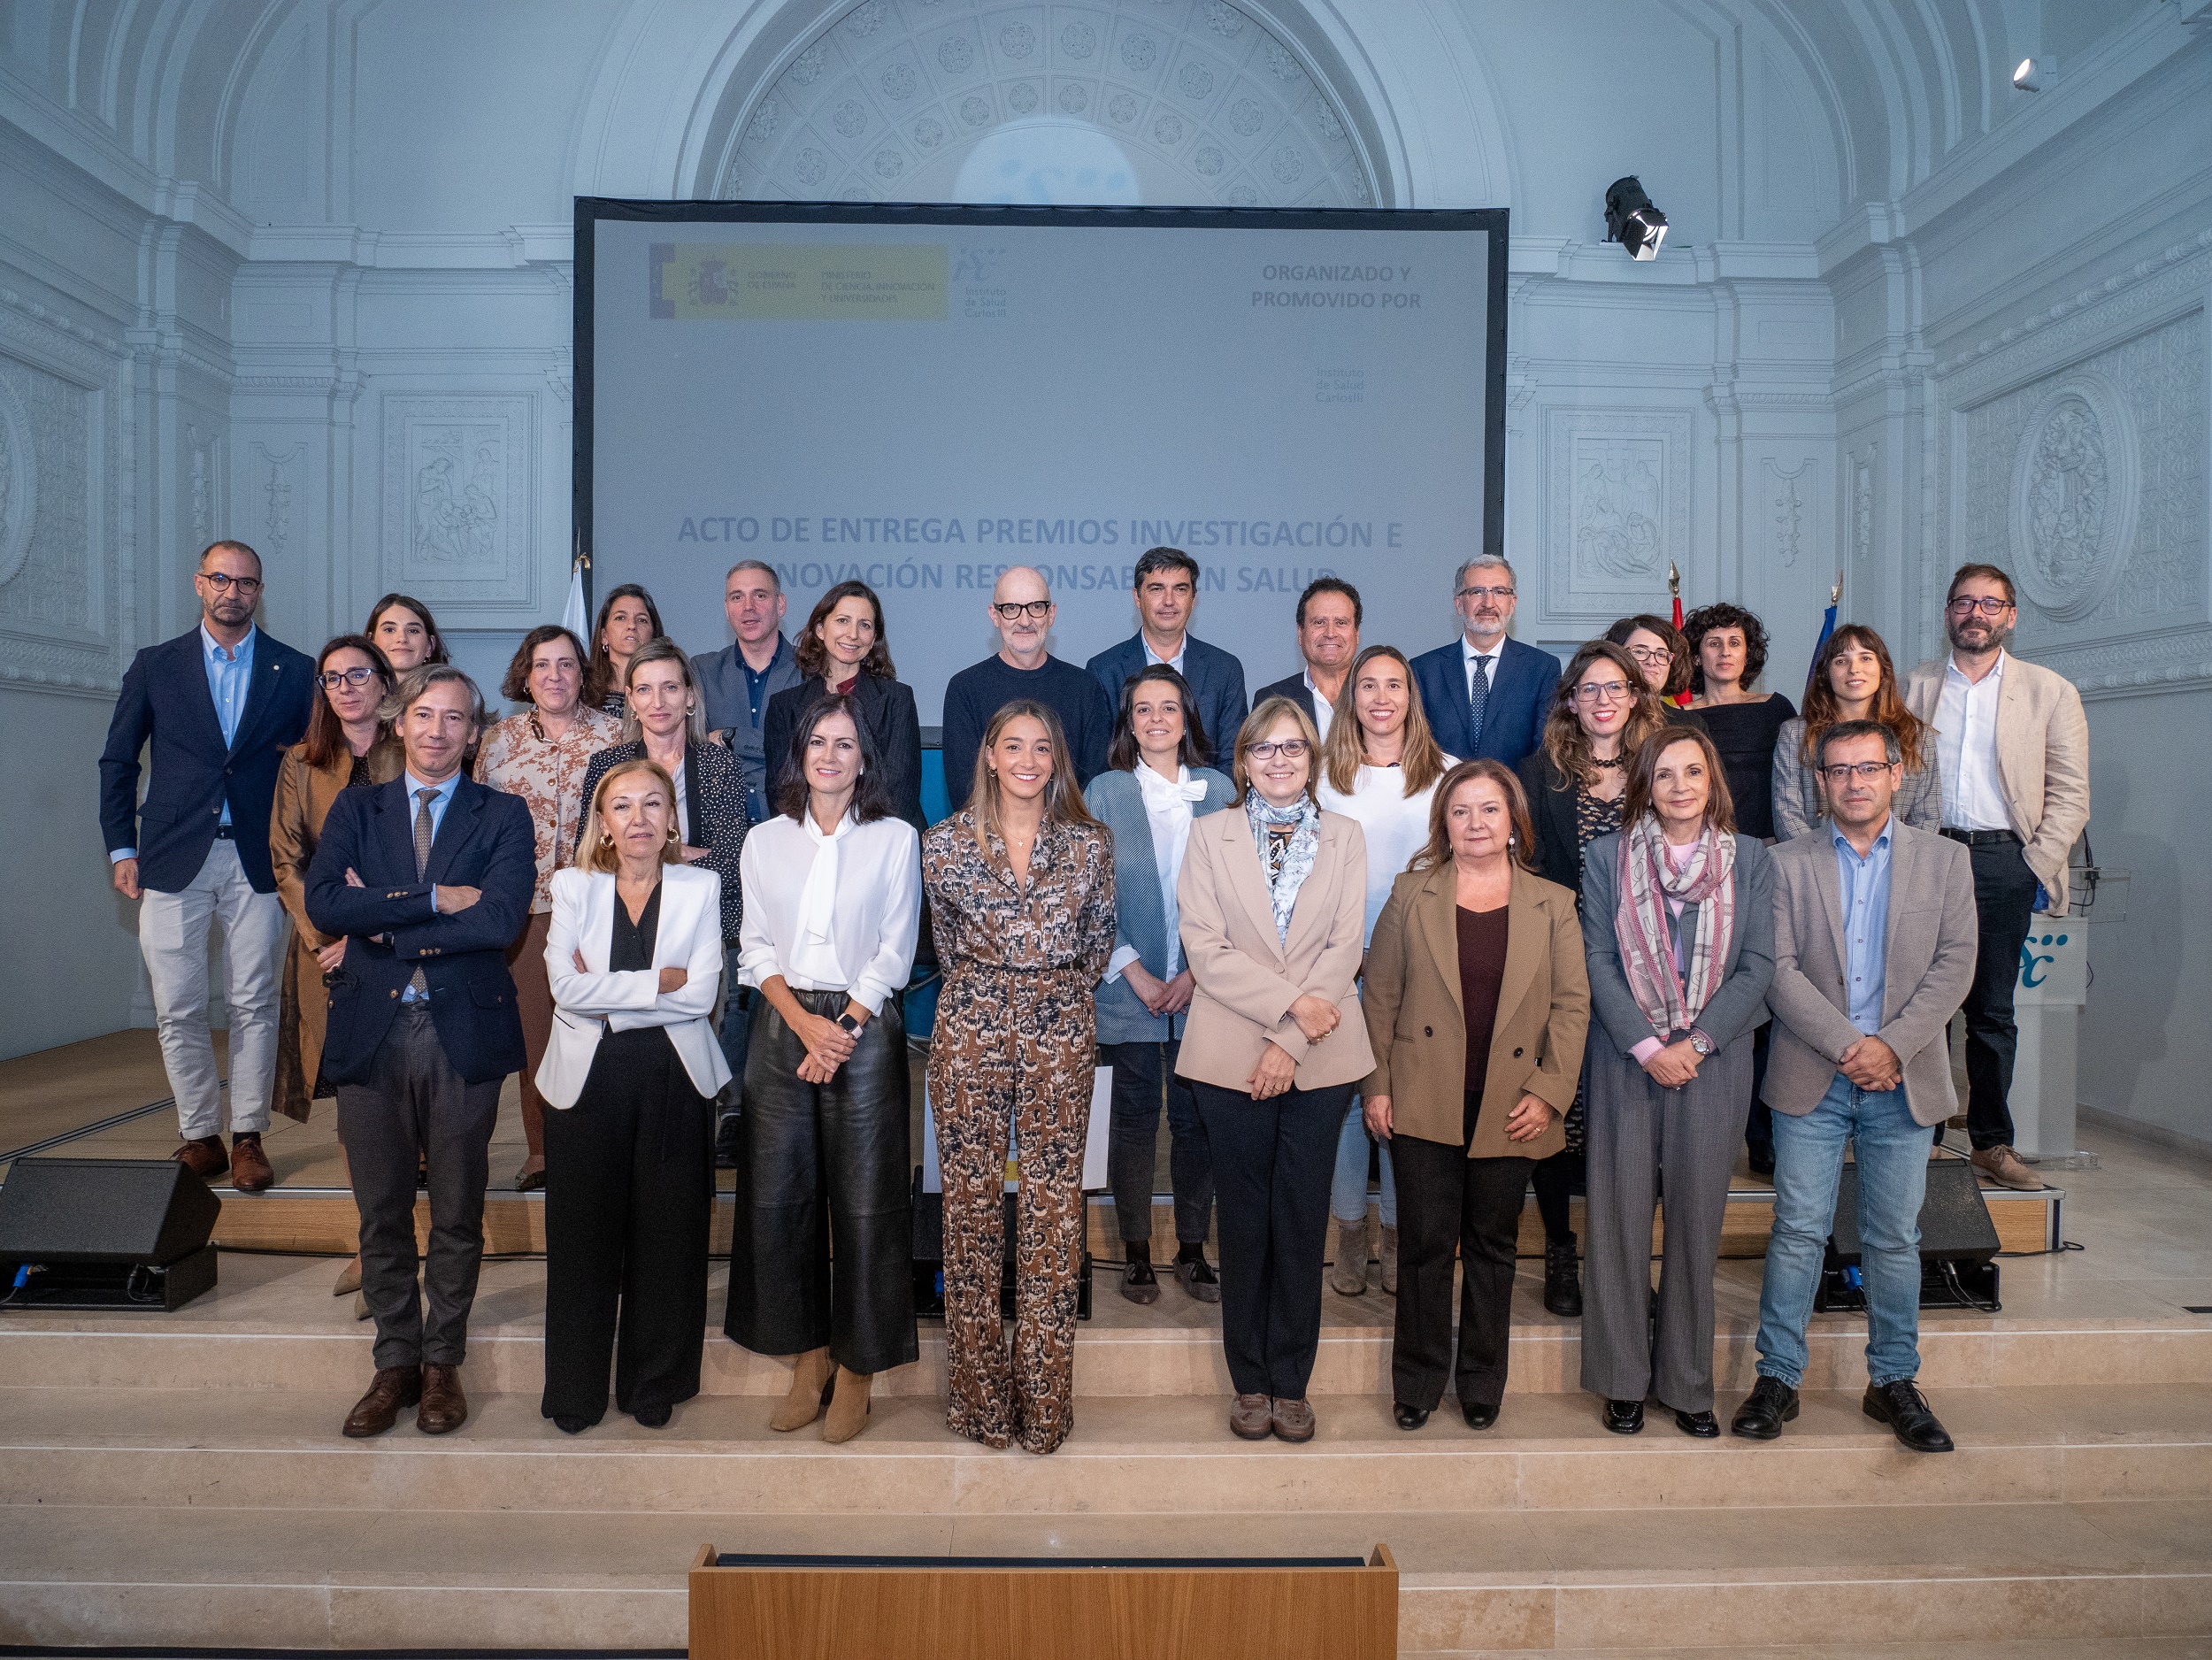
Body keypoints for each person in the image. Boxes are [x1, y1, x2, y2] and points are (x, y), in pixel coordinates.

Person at [1733, 720, 1977, 1454]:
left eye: (1868, 768)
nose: (1854, 782)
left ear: (1897, 775)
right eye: (1838, 771)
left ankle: (1894, 1381)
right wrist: (1850, 1046)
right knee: (1800, 1229)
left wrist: (1890, 1047)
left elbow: (1956, 965)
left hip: (1903, 1077)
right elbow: (1775, 968)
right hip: (1816, 1073)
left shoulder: (1946, 861)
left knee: (1894, 1237)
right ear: (1821, 782)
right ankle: (1778, 1377)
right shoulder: (1786, 863)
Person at [305, 665, 535, 1439]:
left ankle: (443, 1363)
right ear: (401, 722)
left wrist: (384, 920)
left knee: (459, 1213)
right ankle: (394, 1362)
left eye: (456, 719)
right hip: (371, 1032)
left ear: (475, 734)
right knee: (380, 1211)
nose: (439, 731)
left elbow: (500, 920)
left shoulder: (505, 815)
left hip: (461, 1033)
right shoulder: (356, 807)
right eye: (426, 715)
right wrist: (436, 900)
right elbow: (325, 903)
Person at [1360, 760, 1590, 1431]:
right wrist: (1378, 1086)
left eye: (1489, 810)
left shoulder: (1554, 903)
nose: (1476, 824)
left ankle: (1483, 1381)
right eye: (1461, 812)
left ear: (1514, 822)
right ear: (1444, 824)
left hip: (1512, 1103)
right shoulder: (1412, 894)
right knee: (1426, 1247)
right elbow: (1380, 999)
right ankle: (1419, 1381)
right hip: (1423, 1096)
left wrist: (1549, 1093)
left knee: (1492, 1247)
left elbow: (1572, 1008)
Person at [1176, 697, 1372, 1445]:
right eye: (1266, 749)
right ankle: (1249, 1381)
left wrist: (1289, 1040)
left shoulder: (1346, 837)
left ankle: (1292, 1383)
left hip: (1321, 1058)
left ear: (1313, 759)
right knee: (1246, 1221)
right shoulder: (1209, 836)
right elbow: (1206, 949)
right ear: (1243, 760)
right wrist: (1293, 1014)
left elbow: (1346, 945)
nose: (1281, 760)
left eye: (1294, 748)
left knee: (1299, 1220)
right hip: (1229, 1054)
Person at [922, 702, 1115, 1456]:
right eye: (1013, 746)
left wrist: (1046, 993)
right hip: (968, 1032)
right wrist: (997, 993)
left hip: (1061, 1030)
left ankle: (1043, 1406)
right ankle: (979, 1405)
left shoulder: (1091, 846)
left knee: (1053, 1221)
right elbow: (944, 940)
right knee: (968, 1216)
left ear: (1056, 759)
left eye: (1042, 746)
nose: (1028, 759)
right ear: (990, 757)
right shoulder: (941, 846)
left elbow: (1097, 945)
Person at [727, 699, 922, 1443]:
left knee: (866, 1203)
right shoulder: (764, 840)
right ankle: (808, 1362)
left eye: (846, 744)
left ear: (865, 759)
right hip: (781, 1024)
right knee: (782, 1200)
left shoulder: (896, 839)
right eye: (818, 742)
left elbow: (896, 950)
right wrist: (803, 1022)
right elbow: (754, 947)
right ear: (799, 755)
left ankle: (860, 1370)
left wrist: (840, 1028)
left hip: (863, 1027)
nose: (831, 755)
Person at [99, 540, 315, 1192]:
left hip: (258, 858)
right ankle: (200, 1134)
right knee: (179, 1006)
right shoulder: (156, 666)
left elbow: (314, 766)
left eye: (246, 583)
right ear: (200, 583)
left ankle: (247, 1136)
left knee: (253, 1002)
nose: (233, 592)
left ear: (259, 591)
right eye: (221, 579)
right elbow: (118, 761)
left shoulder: (295, 670)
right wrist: (121, 847)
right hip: (169, 857)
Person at [1578, 726, 1774, 1438]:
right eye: (1664, 774)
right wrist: (1645, 1043)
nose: (1681, 786)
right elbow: (1596, 958)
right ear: (1646, 786)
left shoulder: (1752, 859)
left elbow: (1758, 966)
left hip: (1714, 1061)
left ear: (1712, 781)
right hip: (1625, 1057)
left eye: (1693, 771)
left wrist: (1695, 1042)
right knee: (1619, 1221)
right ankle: (1622, 1380)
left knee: (1697, 1224)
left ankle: (1689, 1385)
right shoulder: (1607, 858)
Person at [536, 759, 729, 1433]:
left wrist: (612, 992)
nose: (639, 818)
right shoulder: (572, 886)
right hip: (585, 1080)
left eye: (653, 804)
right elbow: (565, 989)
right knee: (582, 1236)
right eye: (622, 807)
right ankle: (575, 1390)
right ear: (605, 824)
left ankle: (655, 1383)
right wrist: (657, 985)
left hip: (675, 1078)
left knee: (669, 1236)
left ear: (673, 818)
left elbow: (701, 996)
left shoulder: (701, 886)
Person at [1902, 564, 2089, 1193]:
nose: (1975, 613)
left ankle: (1991, 1142)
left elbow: (2070, 793)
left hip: (2003, 862)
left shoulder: (2049, 691)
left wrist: (2031, 865)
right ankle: (1919, 1137)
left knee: (1991, 1012)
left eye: (1990, 603)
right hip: (1926, 858)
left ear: (2010, 615)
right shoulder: (1915, 686)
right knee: (1923, 1005)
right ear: (1948, 611)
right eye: (1963, 602)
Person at [1514, 641, 1671, 1317]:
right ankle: (1559, 1247)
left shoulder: (1665, 771)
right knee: (1559, 1107)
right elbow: (1531, 874)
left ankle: (1624, 1254)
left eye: (1616, 687)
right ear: (1570, 701)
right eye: (1589, 689)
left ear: (1635, 697)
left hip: (1651, 969)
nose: (1603, 700)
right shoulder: (1537, 775)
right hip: (1563, 965)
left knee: (1629, 1117)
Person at [1083, 665, 1234, 1305]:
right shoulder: (1107, 791)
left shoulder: (1222, 790)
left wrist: (1199, 973)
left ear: (1187, 716)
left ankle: (1195, 1250)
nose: (1155, 719)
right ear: (1129, 721)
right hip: (1128, 989)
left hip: (1210, 990)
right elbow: (1087, 896)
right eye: (1142, 709)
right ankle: (1138, 1253)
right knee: (1136, 1121)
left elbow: (1241, 894)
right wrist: (1136, 972)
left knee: (1199, 1122)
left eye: (1167, 707)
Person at [1314, 645, 1456, 1299]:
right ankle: (1348, 1232)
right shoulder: (1321, 776)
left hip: (1423, 963)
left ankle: (1399, 1235)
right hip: (1340, 962)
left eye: (1393, 685)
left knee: (1404, 1100)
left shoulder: (1447, 774)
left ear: (1411, 697)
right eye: (1367, 685)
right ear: (1351, 699)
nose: (1379, 697)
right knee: (1347, 1102)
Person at [271, 635, 403, 1300]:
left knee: (409, 1092)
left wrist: (375, 928)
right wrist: (332, 930)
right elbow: (286, 860)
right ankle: (367, 1243)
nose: (347, 687)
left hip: (402, 944)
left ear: (384, 681)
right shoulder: (300, 761)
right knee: (357, 1104)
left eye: (359, 674)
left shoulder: (414, 749)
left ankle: (407, 1236)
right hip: (323, 947)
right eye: (332, 678)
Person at [473, 626, 621, 1190]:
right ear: (525, 674)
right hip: (524, 908)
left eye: (565, 664)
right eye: (542, 665)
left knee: (601, 1027)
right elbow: (480, 823)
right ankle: (542, 1152)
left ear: (583, 673)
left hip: (601, 903)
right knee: (537, 1032)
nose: (554, 676)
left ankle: (598, 1148)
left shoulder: (615, 736)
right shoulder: (497, 741)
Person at [580, 639, 749, 979]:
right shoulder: (607, 767)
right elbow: (591, 857)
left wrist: (644, 855)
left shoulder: (721, 764)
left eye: (670, 687)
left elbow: (732, 861)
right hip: (625, 927)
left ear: (689, 696)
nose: (657, 702)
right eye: (644, 689)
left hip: (710, 928)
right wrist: (681, 852)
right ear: (630, 699)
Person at [762, 580, 926, 834]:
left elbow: (900, 790)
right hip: (807, 840)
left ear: (873, 639)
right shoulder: (784, 706)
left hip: (882, 839)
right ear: (820, 629)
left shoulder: (897, 699)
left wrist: (849, 837)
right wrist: (822, 837)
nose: (853, 634)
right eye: (842, 621)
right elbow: (781, 790)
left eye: (865, 625)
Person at [941, 566, 1113, 800]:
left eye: (1036, 607)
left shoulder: (1084, 687)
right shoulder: (965, 689)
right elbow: (966, 791)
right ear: (994, 615)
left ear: (1051, 614)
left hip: (1070, 832)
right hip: (987, 833)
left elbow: (1094, 787)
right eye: (1011, 608)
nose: (1025, 620)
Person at [1774, 626, 1943, 841]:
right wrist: (1819, 861)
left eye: (1865, 658)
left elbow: (1927, 817)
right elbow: (1787, 815)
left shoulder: (1917, 736)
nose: (1854, 669)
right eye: (1841, 661)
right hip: (1816, 866)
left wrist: (1894, 861)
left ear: (1883, 669)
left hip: (1897, 865)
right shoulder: (1796, 735)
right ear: (1826, 674)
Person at [1085, 547, 1248, 765]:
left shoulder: (1225, 670)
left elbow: (1232, 759)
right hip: (1126, 798)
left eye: (1180, 589)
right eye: (1157, 589)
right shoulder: (1103, 670)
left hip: (1205, 798)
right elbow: (1099, 762)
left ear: (1193, 599)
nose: (1169, 601)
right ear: (1137, 597)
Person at [1409, 555, 1560, 767]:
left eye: (1499, 592)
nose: (1488, 603)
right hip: (1442, 796)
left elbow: (1543, 753)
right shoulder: (1423, 670)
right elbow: (1416, 748)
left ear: (1512, 603)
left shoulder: (1542, 669)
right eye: (1476, 592)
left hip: (1514, 797)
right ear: (1459, 604)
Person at [693, 559, 803, 826]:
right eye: (737, 597)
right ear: (727, 609)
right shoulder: (702, 671)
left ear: (781, 605)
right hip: (718, 827)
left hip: (792, 824)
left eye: (760, 595)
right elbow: (692, 748)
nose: (748, 607)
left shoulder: (811, 671)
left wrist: (732, 738)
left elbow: (806, 751)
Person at [1683, 604, 1794, 842]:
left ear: (1747, 654)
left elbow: (1794, 781)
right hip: (1702, 846)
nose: (1725, 652)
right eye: (1714, 643)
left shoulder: (1776, 709)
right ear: (1696, 657)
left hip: (1769, 845)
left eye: (1735, 643)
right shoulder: (1679, 719)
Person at [1253, 577, 1361, 745]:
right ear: (1300, 633)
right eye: (1319, 622)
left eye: (1341, 623)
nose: (1330, 633)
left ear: (1356, 633)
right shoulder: (1270, 698)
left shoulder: (1378, 697)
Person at [1604, 615, 1709, 734]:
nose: (1652, 661)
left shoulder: (1690, 724)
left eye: (1661, 654)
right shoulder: (1602, 717)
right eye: (1640, 651)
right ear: (1614, 657)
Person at [584, 583, 664, 718]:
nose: (632, 625)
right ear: (604, 636)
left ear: (653, 635)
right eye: (620, 618)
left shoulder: (667, 692)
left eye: (642, 620)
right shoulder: (583, 691)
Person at [366, 594, 450, 672]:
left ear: (430, 645)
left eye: (413, 631)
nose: (402, 639)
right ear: (371, 641)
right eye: (389, 630)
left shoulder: (451, 687)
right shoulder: (354, 687)